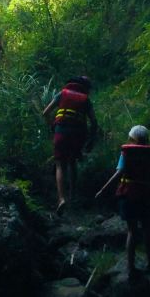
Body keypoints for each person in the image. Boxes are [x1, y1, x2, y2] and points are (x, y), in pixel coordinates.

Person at [96, 125, 150, 280]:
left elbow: (119, 174)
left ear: (131, 138)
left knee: (132, 231)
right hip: (145, 195)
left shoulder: (127, 153)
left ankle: (130, 268)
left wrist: (103, 190)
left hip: (128, 194)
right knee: (147, 227)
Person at [42, 75, 97, 215]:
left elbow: (45, 113)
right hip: (78, 134)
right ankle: (73, 196)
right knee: (72, 162)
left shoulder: (62, 94)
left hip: (61, 131)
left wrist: (52, 127)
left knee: (60, 165)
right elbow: (94, 122)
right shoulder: (86, 99)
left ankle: (61, 199)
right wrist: (91, 140)